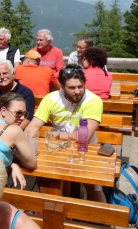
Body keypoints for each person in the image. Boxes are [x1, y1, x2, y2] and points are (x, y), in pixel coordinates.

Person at [25, 65, 105, 202]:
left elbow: (82, 137)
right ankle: (50, 214)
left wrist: (57, 134)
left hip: (85, 149)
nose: (77, 91)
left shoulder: (93, 101)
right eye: (72, 88)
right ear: (61, 86)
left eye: (80, 86)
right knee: (45, 178)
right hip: (57, 150)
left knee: (94, 186)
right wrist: (28, 144)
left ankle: (102, 221)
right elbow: (32, 127)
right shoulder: (51, 99)